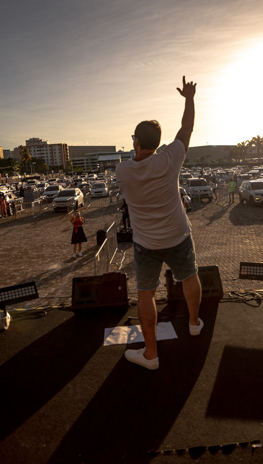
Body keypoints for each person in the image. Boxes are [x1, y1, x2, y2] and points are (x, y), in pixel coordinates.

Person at [116, 76, 203, 371]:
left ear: (136, 142)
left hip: (146, 244)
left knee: (146, 293)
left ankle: (151, 354)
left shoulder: (123, 171)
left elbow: (135, 164)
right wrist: (189, 98)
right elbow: (186, 128)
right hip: (178, 235)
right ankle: (193, 323)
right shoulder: (170, 158)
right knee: (189, 276)